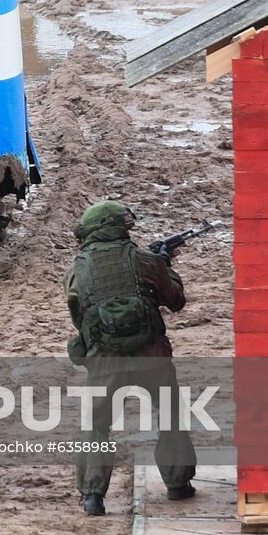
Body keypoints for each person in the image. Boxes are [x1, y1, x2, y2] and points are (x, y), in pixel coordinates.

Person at [65, 201, 197, 516]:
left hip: (105, 360)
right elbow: (176, 300)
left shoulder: (77, 268)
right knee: (170, 416)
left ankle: (93, 497)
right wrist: (165, 266)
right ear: (118, 226)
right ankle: (178, 484)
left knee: (97, 425)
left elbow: (78, 316)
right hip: (151, 355)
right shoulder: (145, 260)